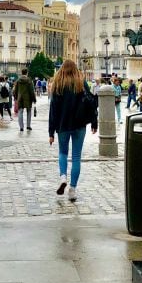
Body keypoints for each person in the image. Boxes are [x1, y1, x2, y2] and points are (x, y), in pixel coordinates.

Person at [48, 60, 97, 202]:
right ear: (75, 69)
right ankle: (72, 189)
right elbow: (91, 103)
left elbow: (53, 110)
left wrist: (51, 132)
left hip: (63, 125)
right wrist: (94, 121)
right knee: (76, 157)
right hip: (79, 125)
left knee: (63, 152)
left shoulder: (58, 84)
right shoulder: (81, 83)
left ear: (62, 69)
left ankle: (63, 176)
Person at [14, 68, 36, 132]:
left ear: (21, 72)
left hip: (20, 98)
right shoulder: (29, 80)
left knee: (20, 112)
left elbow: (15, 90)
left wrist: (15, 97)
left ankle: (21, 127)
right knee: (29, 112)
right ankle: (28, 126)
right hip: (28, 98)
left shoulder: (18, 80)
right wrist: (34, 99)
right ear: (27, 73)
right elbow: (32, 91)